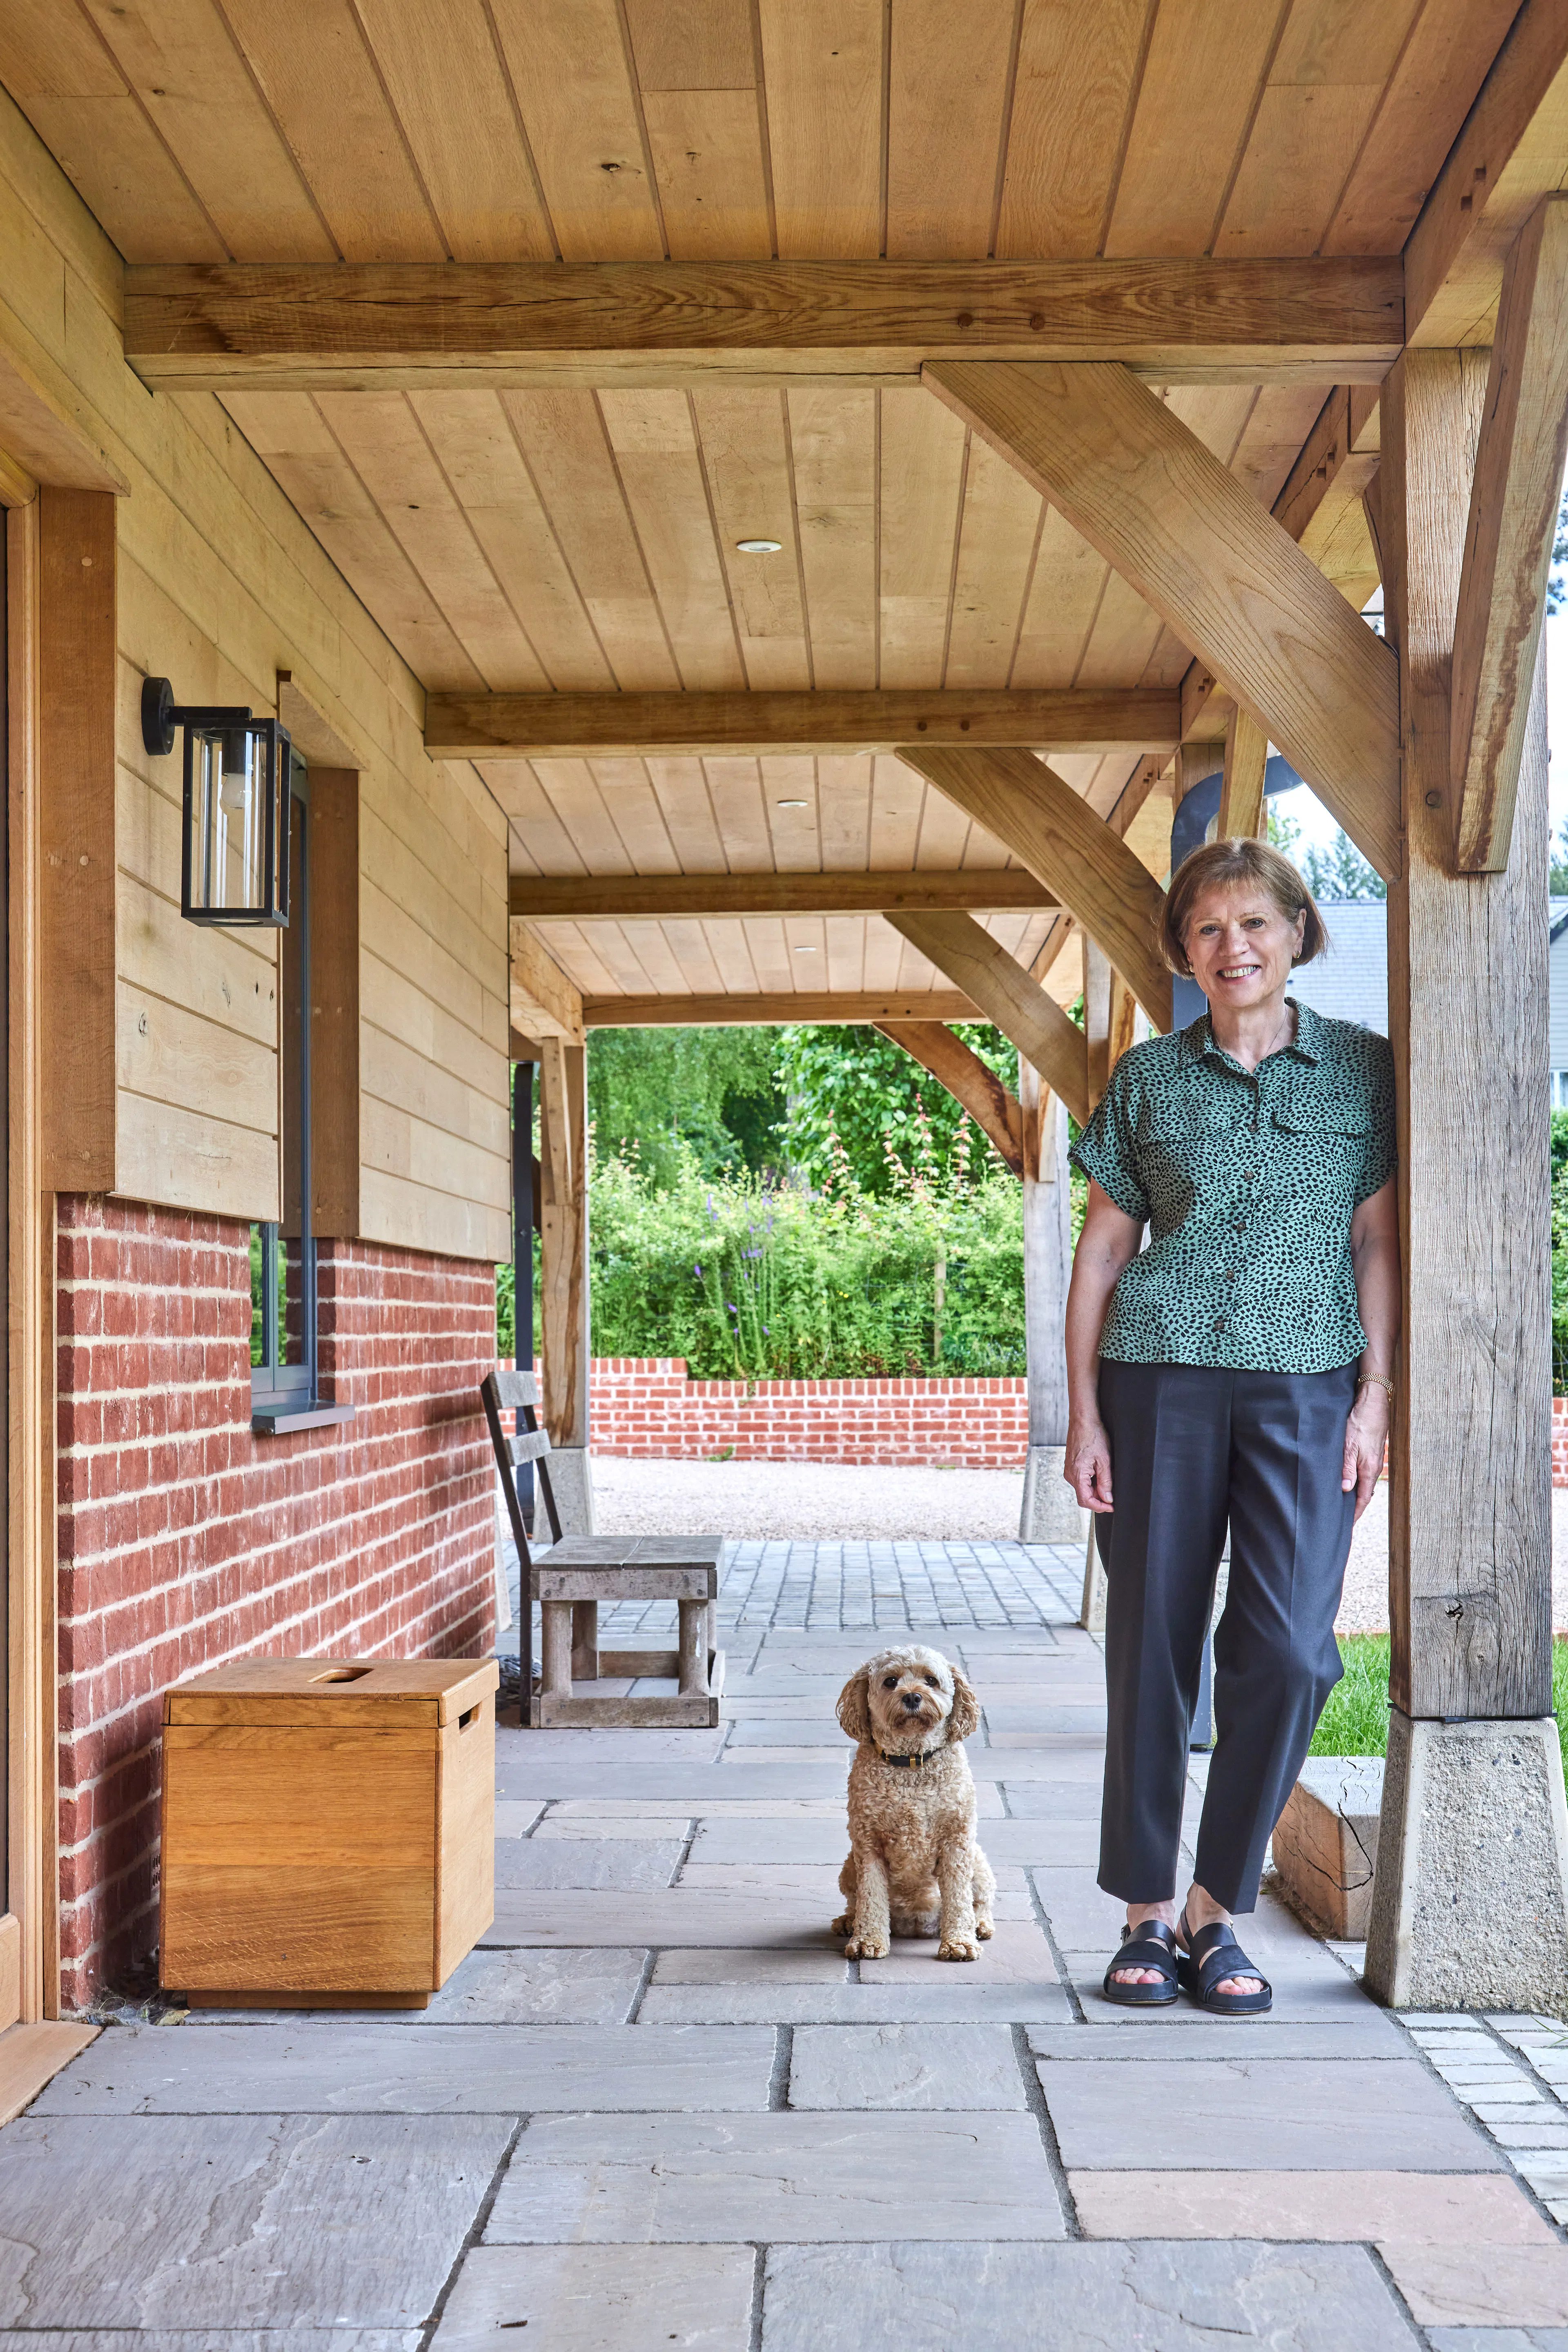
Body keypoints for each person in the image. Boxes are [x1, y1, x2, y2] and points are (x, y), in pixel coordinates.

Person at [1064, 837, 1398, 2014]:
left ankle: (1220, 1904)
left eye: (1255, 923)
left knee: (1294, 1650)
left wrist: (1376, 1396)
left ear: (1299, 932)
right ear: (1185, 952)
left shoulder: (1365, 1071)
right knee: (1150, 1648)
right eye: (1207, 929)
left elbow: (1376, 1243)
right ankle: (1148, 1916)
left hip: (1308, 1385)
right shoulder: (1152, 1078)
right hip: (1158, 1378)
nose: (1234, 947)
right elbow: (1104, 1249)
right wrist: (1085, 1417)